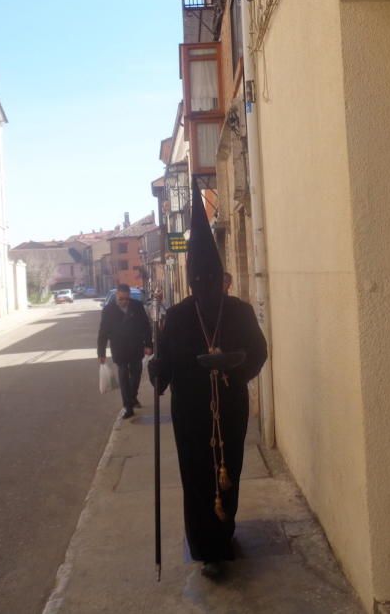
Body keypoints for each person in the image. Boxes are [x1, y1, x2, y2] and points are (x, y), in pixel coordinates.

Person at [149, 183, 267, 580]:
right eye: (197, 281)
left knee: (228, 470)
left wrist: (235, 369)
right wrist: (156, 372)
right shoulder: (178, 317)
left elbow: (259, 352)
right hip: (191, 413)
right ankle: (205, 549)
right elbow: (163, 367)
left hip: (230, 408)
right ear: (191, 281)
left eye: (210, 279)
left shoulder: (240, 311)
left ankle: (225, 533)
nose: (204, 286)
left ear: (222, 279)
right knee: (197, 476)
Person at [97, 283, 153, 419]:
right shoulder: (108, 310)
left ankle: (133, 396)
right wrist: (101, 353)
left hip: (135, 346)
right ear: (117, 295)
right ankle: (128, 406)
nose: (124, 301)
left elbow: (146, 326)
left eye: (127, 298)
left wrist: (148, 344)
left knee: (137, 373)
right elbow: (103, 332)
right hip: (119, 348)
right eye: (121, 298)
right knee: (123, 376)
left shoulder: (137, 306)